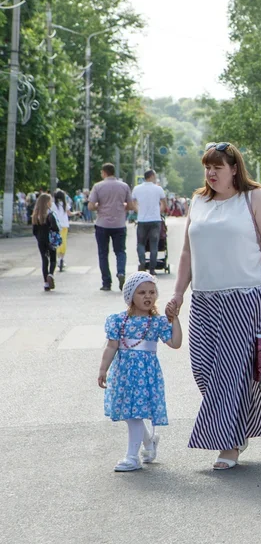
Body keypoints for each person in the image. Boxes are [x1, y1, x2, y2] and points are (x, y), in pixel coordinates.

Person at [167, 142, 261, 471]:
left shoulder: (254, 198)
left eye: (218, 167)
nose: (211, 173)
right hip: (205, 299)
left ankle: (229, 443)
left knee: (229, 374)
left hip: (245, 297)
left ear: (234, 169)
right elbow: (188, 252)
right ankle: (239, 427)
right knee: (204, 369)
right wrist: (179, 293)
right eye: (207, 167)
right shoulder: (199, 201)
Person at [97, 273, 183, 472]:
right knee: (131, 414)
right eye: (142, 292)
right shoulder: (118, 320)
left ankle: (131, 457)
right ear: (130, 296)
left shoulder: (157, 322)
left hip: (146, 375)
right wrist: (103, 369)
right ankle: (149, 442)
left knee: (135, 414)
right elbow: (111, 347)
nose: (148, 296)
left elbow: (175, 343)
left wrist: (174, 319)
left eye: (152, 292)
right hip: (124, 374)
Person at [87, 163, 133, 292]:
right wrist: (121, 206)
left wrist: (99, 206)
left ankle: (106, 283)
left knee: (103, 253)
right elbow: (130, 205)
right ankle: (121, 272)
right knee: (120, 251)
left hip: (102, 224)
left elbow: (90, 206)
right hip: (119, 224)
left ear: (104, 172)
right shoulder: (124, 186)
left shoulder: (98, 186)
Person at [132, 169, 166, 275]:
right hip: (155, 220)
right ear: (151, 176)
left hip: (142, 220)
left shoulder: (137, 189)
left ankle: (142, 263)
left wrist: (139, 211)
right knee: (154, 245)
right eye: (154, 176)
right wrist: (158, 212)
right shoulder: (158, 189)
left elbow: (133, 203)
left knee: (141, 243)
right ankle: (152, 269)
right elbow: (164, 204)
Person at [31, 193, 59, 291]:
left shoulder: (35, 216)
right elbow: (55, 228)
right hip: (50, 240)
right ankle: (50, 274)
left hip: (41, 240)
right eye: (50, 201)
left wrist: (39, 238)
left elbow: (34, 230)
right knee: (53, 259)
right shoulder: (50, 215)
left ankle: (46, 283)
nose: (51, 203)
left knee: (44, 259)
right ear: (47, 203)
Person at [52, 189, 71, 272]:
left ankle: (58, 259)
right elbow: (69, 213)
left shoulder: (53, 205)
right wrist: (77, 213)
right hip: (64, 226)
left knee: (56, 241)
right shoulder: (65, 204)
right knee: (63, 241)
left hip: (55, 225)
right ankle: (62, 259)